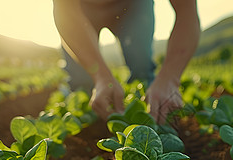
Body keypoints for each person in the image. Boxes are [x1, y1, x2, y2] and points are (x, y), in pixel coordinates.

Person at [52, 0, 200, 124]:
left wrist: (170, 78)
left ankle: (149, 117)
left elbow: (186, 11)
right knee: (81, 83)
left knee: (141, 68)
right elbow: (65, 12)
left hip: (133, 4)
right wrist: (101, 77)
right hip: (82, 8)